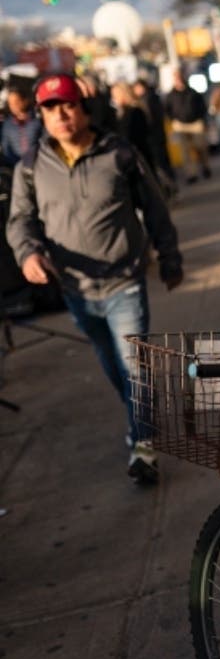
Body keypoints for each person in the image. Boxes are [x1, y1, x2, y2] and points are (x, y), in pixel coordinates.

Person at [5, 73, 183, 484]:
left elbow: (155, 207)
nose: (61, 115)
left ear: (83, 108)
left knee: (133, 366)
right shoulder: (30, 167)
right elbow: (21, 221)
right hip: (76, 290)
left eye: (67, 104)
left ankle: (143, 447)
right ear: (42, 117)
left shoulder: (119, 153)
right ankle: (141, 421)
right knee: (114, 368)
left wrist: (170, 258)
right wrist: (28, 253)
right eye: (50, 109)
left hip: (124, 281)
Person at [164, 68, 211, 184]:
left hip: (195, 123)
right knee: (185, 151)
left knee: (200, 147)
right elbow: (167, 109)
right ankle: (191, 173)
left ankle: (205, 166)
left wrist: (202, 120)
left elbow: (202, 106)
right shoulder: (170, 95)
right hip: (180, 125)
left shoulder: (192, 92)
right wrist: (173, 119)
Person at [132, 77, 177, 192]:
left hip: (154, 137)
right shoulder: (152, 97)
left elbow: (151, 119)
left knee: (160, 164)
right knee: (163, 162)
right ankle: (171, 185)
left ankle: (170, 187)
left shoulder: (147, 100)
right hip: (158, 135)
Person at [1, 80, 42, 168]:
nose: (13, 106)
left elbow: (44, 143)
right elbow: (6, 149)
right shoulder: (7, 125)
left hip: (38, 164)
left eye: (16, 102)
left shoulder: (38, 120)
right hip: (14, 166)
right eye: (10, 103)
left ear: (25, 100)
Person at [111, 82, 152, 167]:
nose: (114, 99)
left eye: (115, 95)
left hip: (137, 157)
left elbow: (138, 136)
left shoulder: (135, 111)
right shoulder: (122, 111)